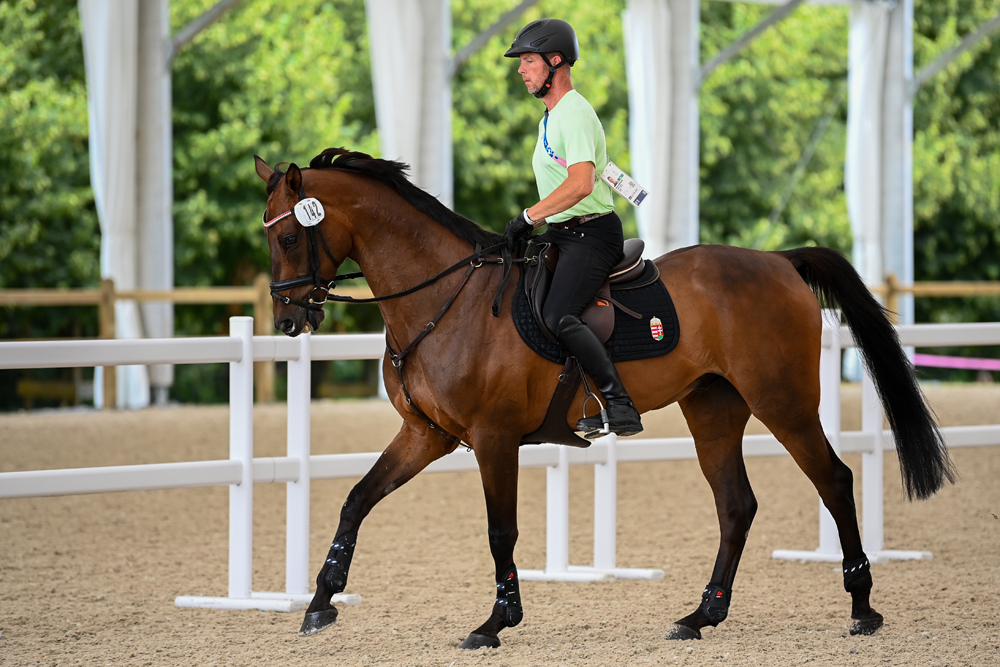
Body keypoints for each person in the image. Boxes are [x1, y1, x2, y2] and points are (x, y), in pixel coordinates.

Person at [502, 18, 643, 438]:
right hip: (565, 232)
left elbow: (581, 184)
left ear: (555, 61)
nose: (521, 70)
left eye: (528, 61)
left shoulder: (574, 114)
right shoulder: (551, 117)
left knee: (559, 314)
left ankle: (618, 403)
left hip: (592, 233)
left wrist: (529, 217)